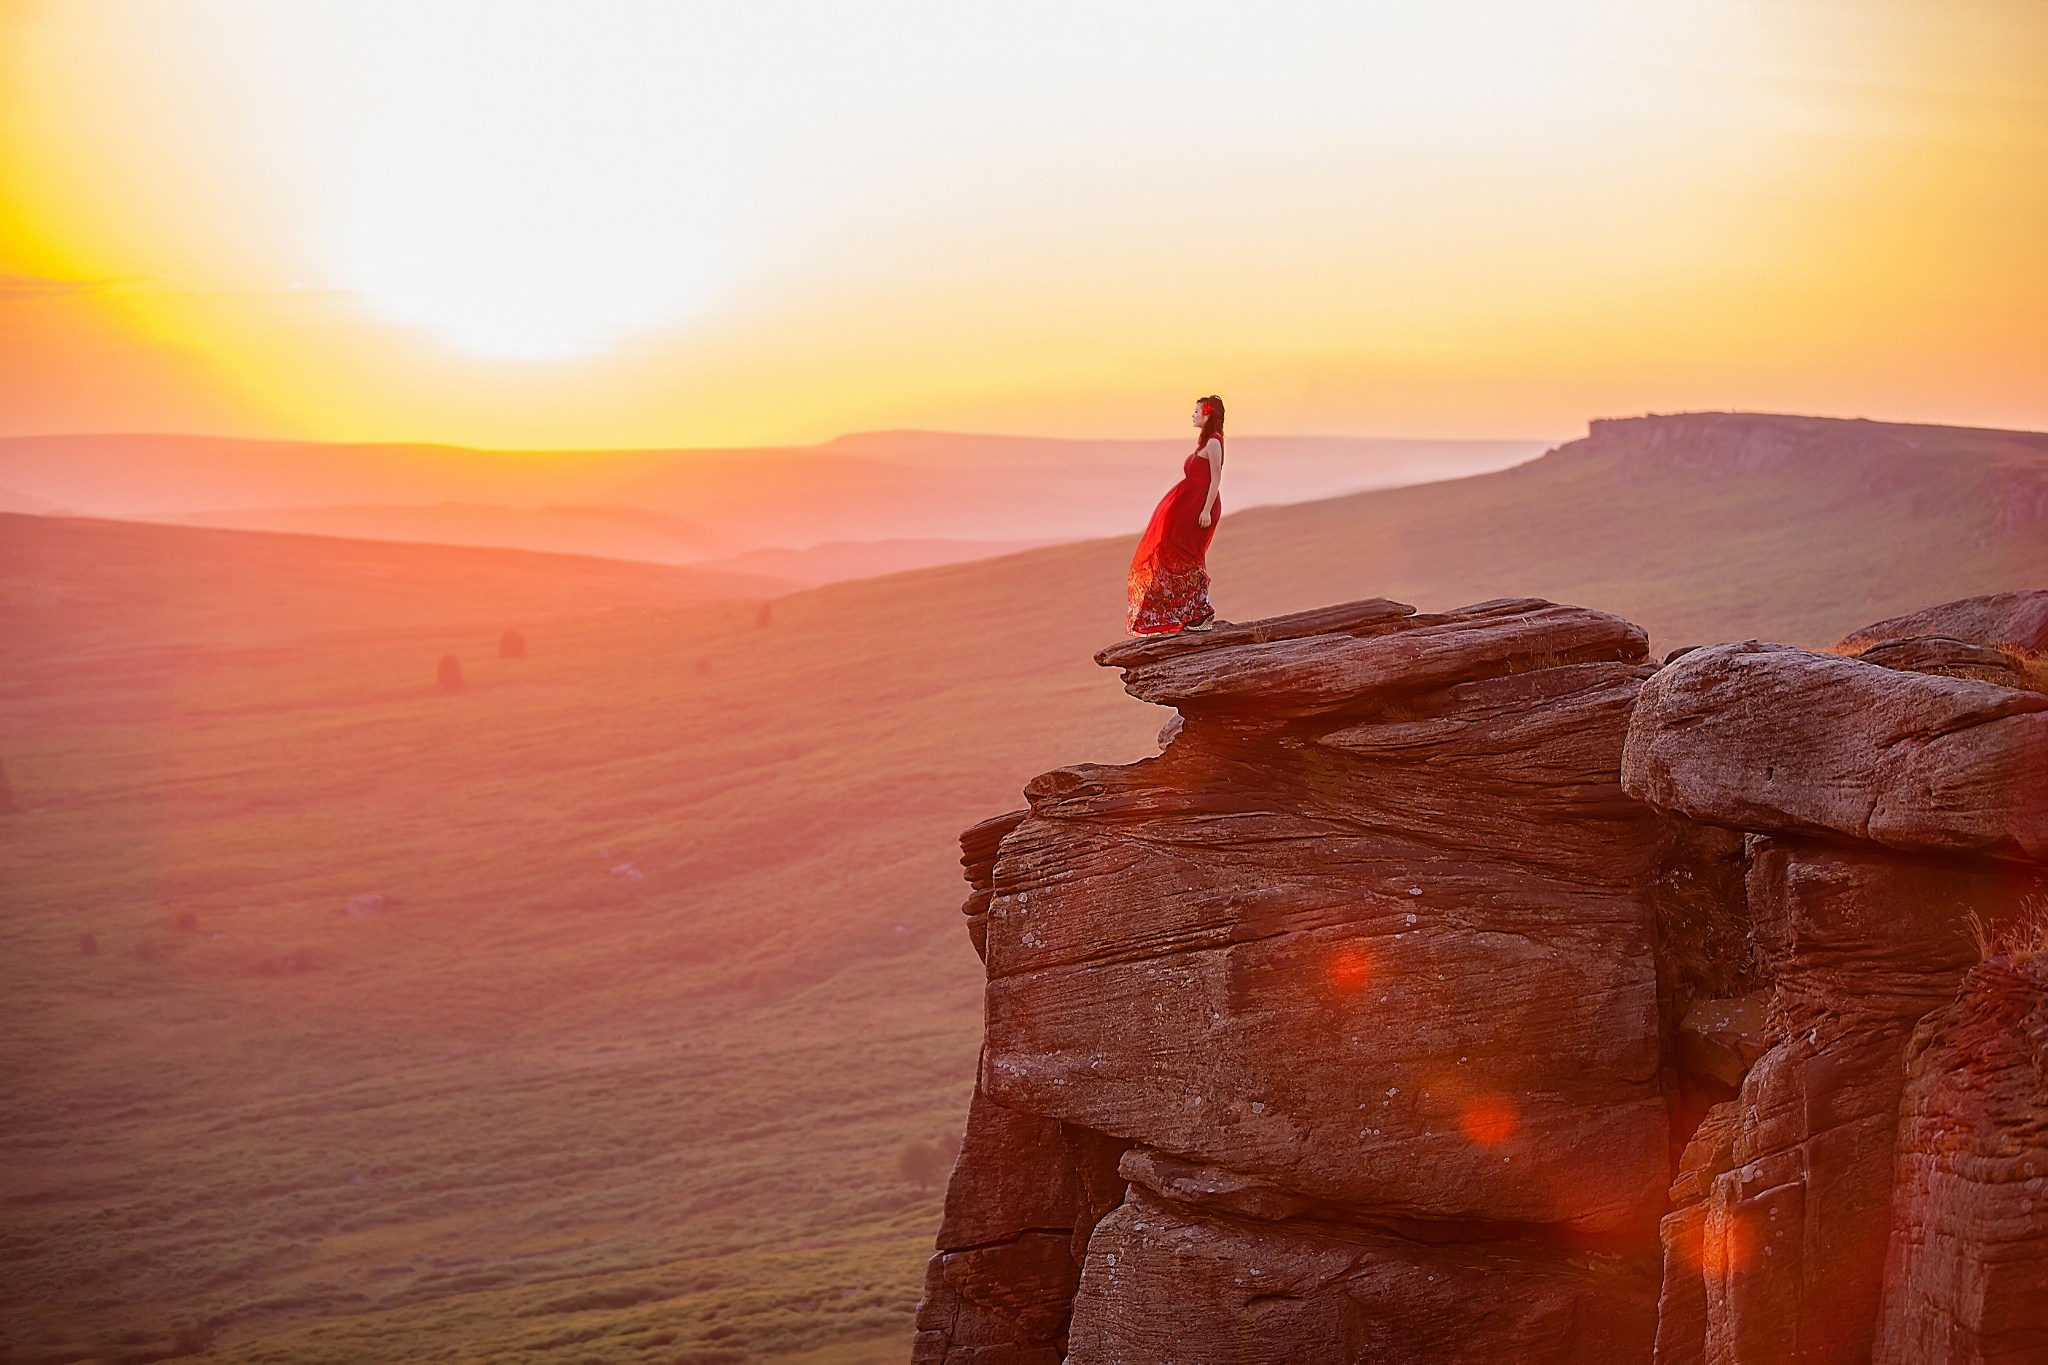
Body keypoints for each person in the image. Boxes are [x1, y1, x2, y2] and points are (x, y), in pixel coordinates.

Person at [1127, 395, 1225, 635]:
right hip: (1188, 506)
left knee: (1190, 556)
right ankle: (1187, 613)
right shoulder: (1204, 443)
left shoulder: (1214, 443)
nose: (1193, 415)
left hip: (1199, 507)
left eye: (1197, 411)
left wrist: (1204, 510)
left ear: (1208, 414)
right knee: (1172, 551)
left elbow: (1216, 480)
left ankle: (1201, 611)